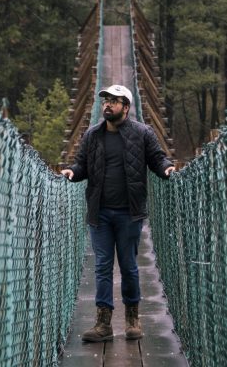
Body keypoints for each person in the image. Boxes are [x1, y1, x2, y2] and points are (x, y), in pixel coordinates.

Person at [61, 84, 176, 342]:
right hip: (99, 213)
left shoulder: (143, 133)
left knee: (128, 267)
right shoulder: (93, 135)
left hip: (129, 213)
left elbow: (157, 159)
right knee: (102, 267)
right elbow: (81, 165)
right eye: (105, 101)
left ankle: (133, 319)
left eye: (114, 101)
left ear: (126, 107)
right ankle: (103, 324)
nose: (107, 105)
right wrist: (72, 172)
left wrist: (167, 168)